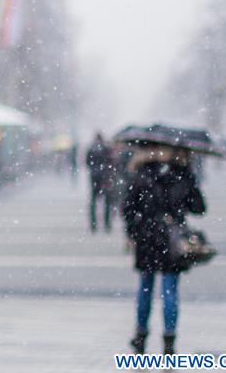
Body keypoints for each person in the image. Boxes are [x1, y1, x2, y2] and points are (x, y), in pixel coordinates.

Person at [122, 145, 205, 355]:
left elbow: (128, 208)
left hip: (147, 237)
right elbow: (199, 207)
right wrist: (190, 179)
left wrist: (133, 232)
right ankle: (169, 341)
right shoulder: (182, 175)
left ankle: (141, 337)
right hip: (172, 238)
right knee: (170, 290)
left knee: (146, 289)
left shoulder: (142, 174)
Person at [86, 133, 115, 232]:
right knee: (107, 201)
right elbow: (112, 162)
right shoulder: (106, 149)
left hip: (94, 177)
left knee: (94, 201)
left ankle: (93, 224)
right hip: (105, 177)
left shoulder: (91, 148)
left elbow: (87, 162)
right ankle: (107, 224)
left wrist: (94, 170)